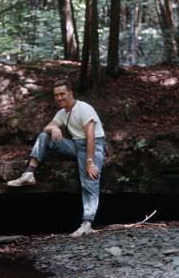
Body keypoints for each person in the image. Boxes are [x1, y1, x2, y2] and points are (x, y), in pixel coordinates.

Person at [6, 80, 105, 237]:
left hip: (92, 146)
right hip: (75, 145)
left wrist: (90, 162)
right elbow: (47, 127)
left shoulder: (84, 109)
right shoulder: (62, 112)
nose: (59, 98)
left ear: (70, 93)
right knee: (45, 135)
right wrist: (53, 127)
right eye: (56, 95)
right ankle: (29, 173)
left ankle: (87, 223)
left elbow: (91, 137)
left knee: (89, 181)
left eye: (62, 94)